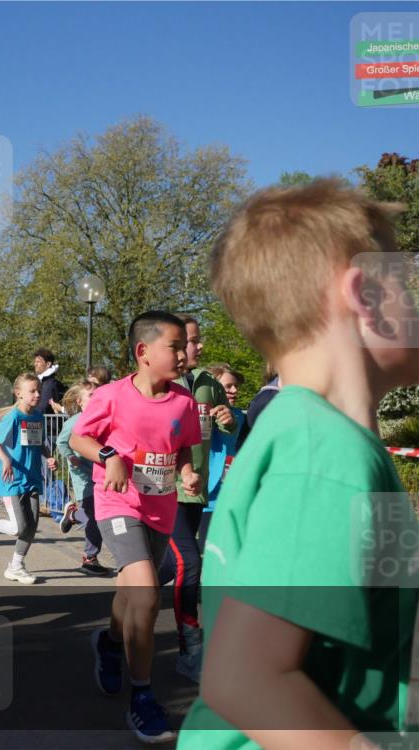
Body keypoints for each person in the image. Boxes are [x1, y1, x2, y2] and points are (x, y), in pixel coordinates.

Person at [178, 180, 419, 749]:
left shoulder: (298, 432)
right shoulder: (326, 453)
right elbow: (247, 677)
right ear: (367, 297)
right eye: (407, 283)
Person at [70, 310, 202, 744]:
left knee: (132, 593)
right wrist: (109, 455)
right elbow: (79, 438)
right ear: (144, 352)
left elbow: (182, 449)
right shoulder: (111, 396)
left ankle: (109, 643)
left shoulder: (184, 403)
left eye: (186, 346)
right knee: (146, 591)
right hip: (117, 503)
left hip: (160, 511)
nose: (185, 353)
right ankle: (142, 696)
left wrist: (185, 473)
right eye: (176, 346)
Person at [154, 315, 235, 685]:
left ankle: (114, 635)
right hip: (162, 488)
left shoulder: (206, 383)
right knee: (189, 562)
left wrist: (227, 419)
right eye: (192, 340)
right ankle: (190, 650)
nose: (199, 347)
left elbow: (226, 429)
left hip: (195, 489)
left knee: (163, 571)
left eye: (198, 341)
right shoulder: (156, 384)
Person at [0, 372, 58, 584]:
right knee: (19, 527)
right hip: (13, 480)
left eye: (39, 390)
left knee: (32, 526)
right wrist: (6, 460)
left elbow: (39, 443)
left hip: (32, 478)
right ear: (18, 393)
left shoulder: (37, 416)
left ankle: (16, 567)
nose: (37, 394)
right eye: (32, 391)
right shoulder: (14, 417)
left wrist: (48, 457)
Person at [55, 381, 112, 577]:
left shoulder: (103, 418)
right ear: (79, 401)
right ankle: (90, 558)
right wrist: (71, 457)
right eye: (91, 396)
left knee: (98, 515)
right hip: (83, 476)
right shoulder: (75, 421)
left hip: (101, 472)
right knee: (94, 517)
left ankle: (72, 515)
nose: (96, 399)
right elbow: (61, 442)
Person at [199, 363, 248, 550]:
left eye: (236, 386)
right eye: (228, 386)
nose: (235, 390)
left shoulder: (240, 416)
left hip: (227, 492)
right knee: (191, 558)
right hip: (203, 493)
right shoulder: (199, 412)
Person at [32, 347, 66, 415]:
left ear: (48, 364)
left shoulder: (49, 384)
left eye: (38, 361)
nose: (35, 364)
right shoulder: (44, 382)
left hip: (48, 424)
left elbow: (42, 408)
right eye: (35, 362)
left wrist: (27, 412)